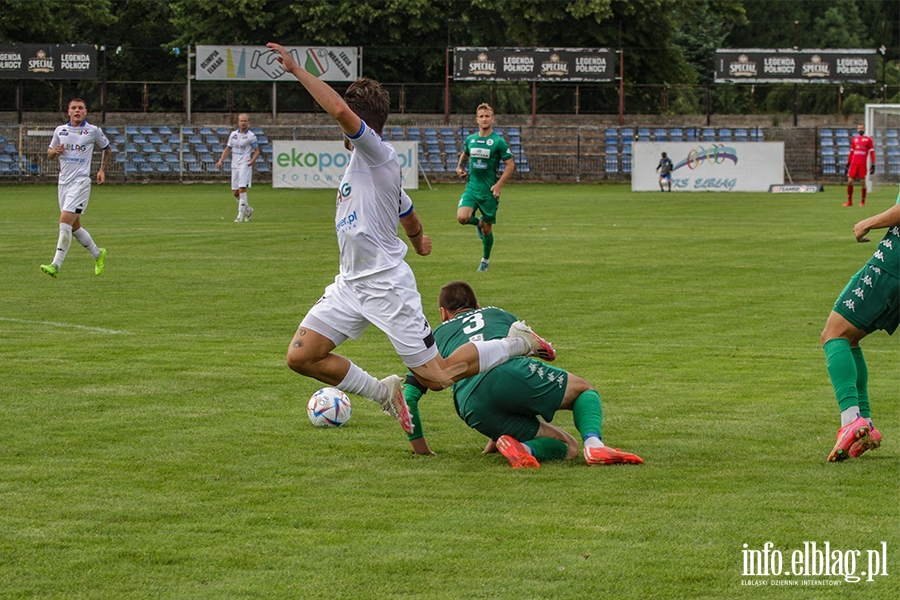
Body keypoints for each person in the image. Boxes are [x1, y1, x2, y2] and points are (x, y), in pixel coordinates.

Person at [266, 43, 554, 436]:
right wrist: (419, 242)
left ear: (356, 124)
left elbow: (338, 109)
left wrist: (297, 70)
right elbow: (407, 211)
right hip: (350, 283)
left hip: (386, 284)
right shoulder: (364, 164)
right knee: (302, 356)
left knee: (437, 375)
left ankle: (516, 341)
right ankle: (383, 392)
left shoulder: (377, 153)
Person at [403, 280, 644, 468]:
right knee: (583, 391)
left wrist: (421, 449)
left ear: (443, 313)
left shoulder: (434, 336)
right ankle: (594, 445)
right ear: (477, 306)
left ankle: (523, 449)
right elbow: (530, 349)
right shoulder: (497, 313)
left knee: (567, 445)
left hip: (469, 404)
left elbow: (409, 397)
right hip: (507, 372)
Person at [821, 196, 899, 462]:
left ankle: (852, 420)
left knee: (835, 334)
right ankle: (864, 425)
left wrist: (868, 222)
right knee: (851, 338)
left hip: (891, 266)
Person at [40, 98, 111, 278]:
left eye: (80, 108)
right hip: (63, 182)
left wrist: (102, 169)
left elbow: (107, 148)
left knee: (64, 221)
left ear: (85, 112)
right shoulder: (60, 131)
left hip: (80, 182)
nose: (77, 111)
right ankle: (98, 254)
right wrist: (55, 151)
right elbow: (49, 154)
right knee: (74, 226)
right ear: (68, 112)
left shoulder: (92, 131)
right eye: (74, 108)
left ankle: (55, 265)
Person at [455, 103, 515, 272]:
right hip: (472, 187)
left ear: (492, 118)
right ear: (477, 119)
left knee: (488, 230)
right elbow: (465, 154)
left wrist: (499, 184)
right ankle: (478, 222)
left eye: (487, 116)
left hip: (489, 190)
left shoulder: (498, 142)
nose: (484, 119)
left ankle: (485, 261)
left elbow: (510, 165)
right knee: (462, 217)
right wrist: (460, 167)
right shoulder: (471, 140)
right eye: (481, 116)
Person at [216, 113, 261, 222]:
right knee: (235, 192)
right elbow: (228, 148)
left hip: (245, 164)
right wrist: (221, 160)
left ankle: (240, 216)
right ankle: (248, 209)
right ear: (238, 122)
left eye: (245, 121)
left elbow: (257, 151)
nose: (243, 123)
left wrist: (252, 160)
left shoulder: (251, 136)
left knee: (242, 189)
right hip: (235, 164)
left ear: (248, 122)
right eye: (241, 121)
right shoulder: (233, 135)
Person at [844, 123, 875, 207]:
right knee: (850, 181)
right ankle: (849, 201)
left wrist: (873, 164)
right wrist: (848, 163)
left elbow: (872, 152)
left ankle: (862, 202)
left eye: (861, 128)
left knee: (862, 182)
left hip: (862, 164)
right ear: (857, 129)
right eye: (859, 128)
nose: (860, 130)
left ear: (864, 129)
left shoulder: (868, 140)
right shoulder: (854, 139)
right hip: (854, 163)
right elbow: (851, 152)